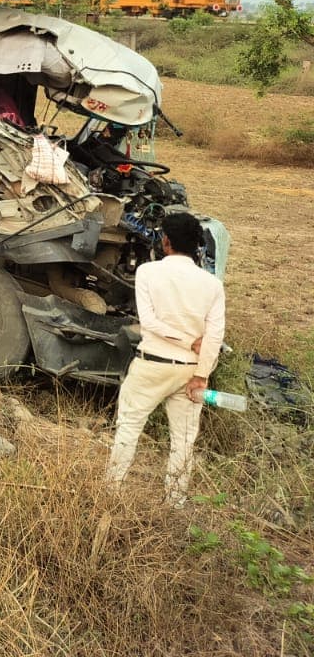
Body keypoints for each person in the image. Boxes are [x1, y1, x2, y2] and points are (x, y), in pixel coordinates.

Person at [105, 212, 226, 504]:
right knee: (183, 441)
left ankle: (111, 494)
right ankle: (174, 504)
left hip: (151, 364)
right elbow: (215, 335)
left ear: (166, 241)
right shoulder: (212, 285)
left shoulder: (148, 271)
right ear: (197, 245)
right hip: (190, 370)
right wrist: (202, 374)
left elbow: (149, 322)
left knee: (129, 426)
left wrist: (183, 341)